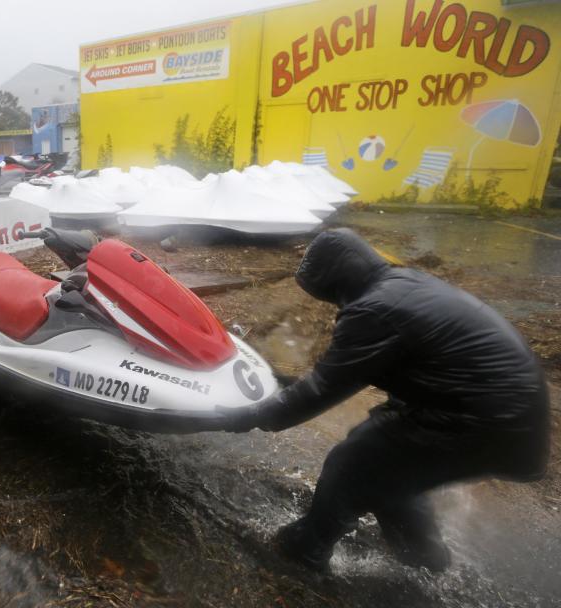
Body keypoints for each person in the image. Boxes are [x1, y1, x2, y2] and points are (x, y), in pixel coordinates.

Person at [220, 228, 550, 573]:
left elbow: (319, 391)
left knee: (354, 462)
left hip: (482, 420)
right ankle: (421, 556)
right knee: (390, 462)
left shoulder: (375, 310)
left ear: (336, 279)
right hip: (509, 419)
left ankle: (306, 549)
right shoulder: (402, 284)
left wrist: (245, 417)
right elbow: (416, 365)